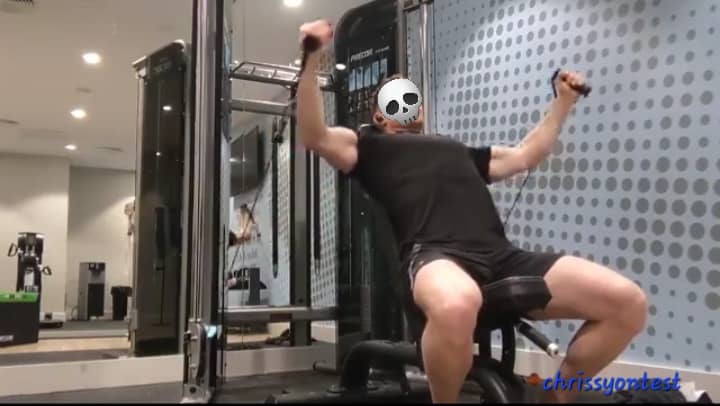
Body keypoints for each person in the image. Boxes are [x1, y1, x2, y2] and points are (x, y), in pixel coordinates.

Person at [296, 20, 648, 403]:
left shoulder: (458, 151)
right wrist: (311, 58)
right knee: (457, 302)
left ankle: (558, 398)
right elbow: (315, 135)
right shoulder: (367, 147)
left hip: (502, 257)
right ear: (380, 116)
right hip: (435, 257)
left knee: (626, 303)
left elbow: (526, 155)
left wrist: (562, 102)